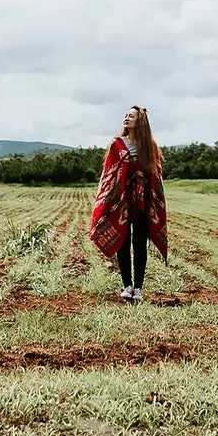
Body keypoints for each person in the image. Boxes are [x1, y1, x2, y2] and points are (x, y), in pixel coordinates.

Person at [88, 105, 168, 303]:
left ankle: (139, 288)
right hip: (120, 202)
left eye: (131, 116)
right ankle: (127, 286)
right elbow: (108, 174)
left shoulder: (151, 146)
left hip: (142, 202)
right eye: (125, 115)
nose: (126, 118)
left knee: (139, 244)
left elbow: (155, 176)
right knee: (123, 242)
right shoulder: (116, 144)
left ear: (140, 121)